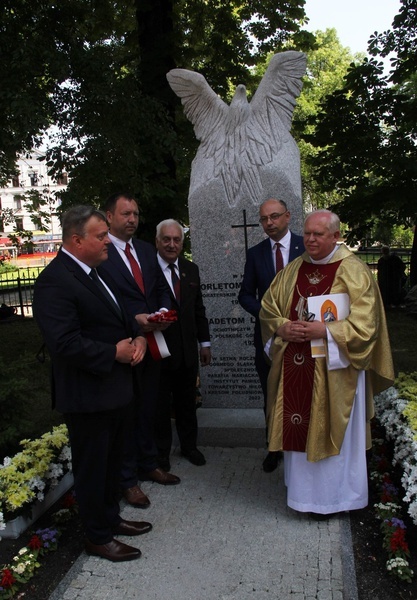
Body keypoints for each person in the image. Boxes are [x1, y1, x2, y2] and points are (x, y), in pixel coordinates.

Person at [32, 205, 152, 562]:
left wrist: (139, 337)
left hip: (114, 391)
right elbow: (64, 343)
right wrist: (112, 353)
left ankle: (110, 519)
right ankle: (97, 537)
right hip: (88, 396)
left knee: (112, 465)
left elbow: (119, 316)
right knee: (93, 469)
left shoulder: (96, 272)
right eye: (101, 236)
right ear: (76, 239)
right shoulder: (55, 281)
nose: (108, 243)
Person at [259, 209, 395, 518]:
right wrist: (282, 326)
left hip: (338, 371)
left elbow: (367, 323)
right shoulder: (293, 270)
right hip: (297, 365)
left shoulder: (354, 271)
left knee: (339, 436)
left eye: (317, 234)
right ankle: (304, 500)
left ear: (335, 236)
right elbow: (269, 307)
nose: (309, 239)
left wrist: (328, 330)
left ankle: (340, 500)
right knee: (299, 426)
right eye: (307, 233)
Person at [100, 193, 180, 510]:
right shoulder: (101, 253)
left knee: (150, 406)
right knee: (126, 413)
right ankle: (127, 480)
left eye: (135, 213)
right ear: (109, 216)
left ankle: (149, 463)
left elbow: (160, 288)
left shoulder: (147, 250)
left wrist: (160, 313)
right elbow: (106, 301)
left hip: (152, 342)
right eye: (125, 214)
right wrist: (134, 322)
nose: (132, 219)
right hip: (124, 346)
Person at [238, 198, 304, 473]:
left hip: (302, 335)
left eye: (275, 217)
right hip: (268, 339)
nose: (269, 223)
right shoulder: (256, 254)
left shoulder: (305, 248)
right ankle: (273, 448)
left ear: (287, 216)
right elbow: (244, 295)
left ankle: (300, 448)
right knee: (271, 394)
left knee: (301, 393)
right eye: (264, 219)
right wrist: (272, 320)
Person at [154, 219, 211, 469]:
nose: (171, 244)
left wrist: (205, 343)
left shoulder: (191, 269)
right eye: (166, 239)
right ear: (157, 241)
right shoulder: (148, 271)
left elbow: (198, 309)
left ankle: (189, 447)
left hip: (188, 352)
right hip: (159, 352)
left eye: (177, 239)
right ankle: (161, 454)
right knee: (160, 406)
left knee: (187, 403)